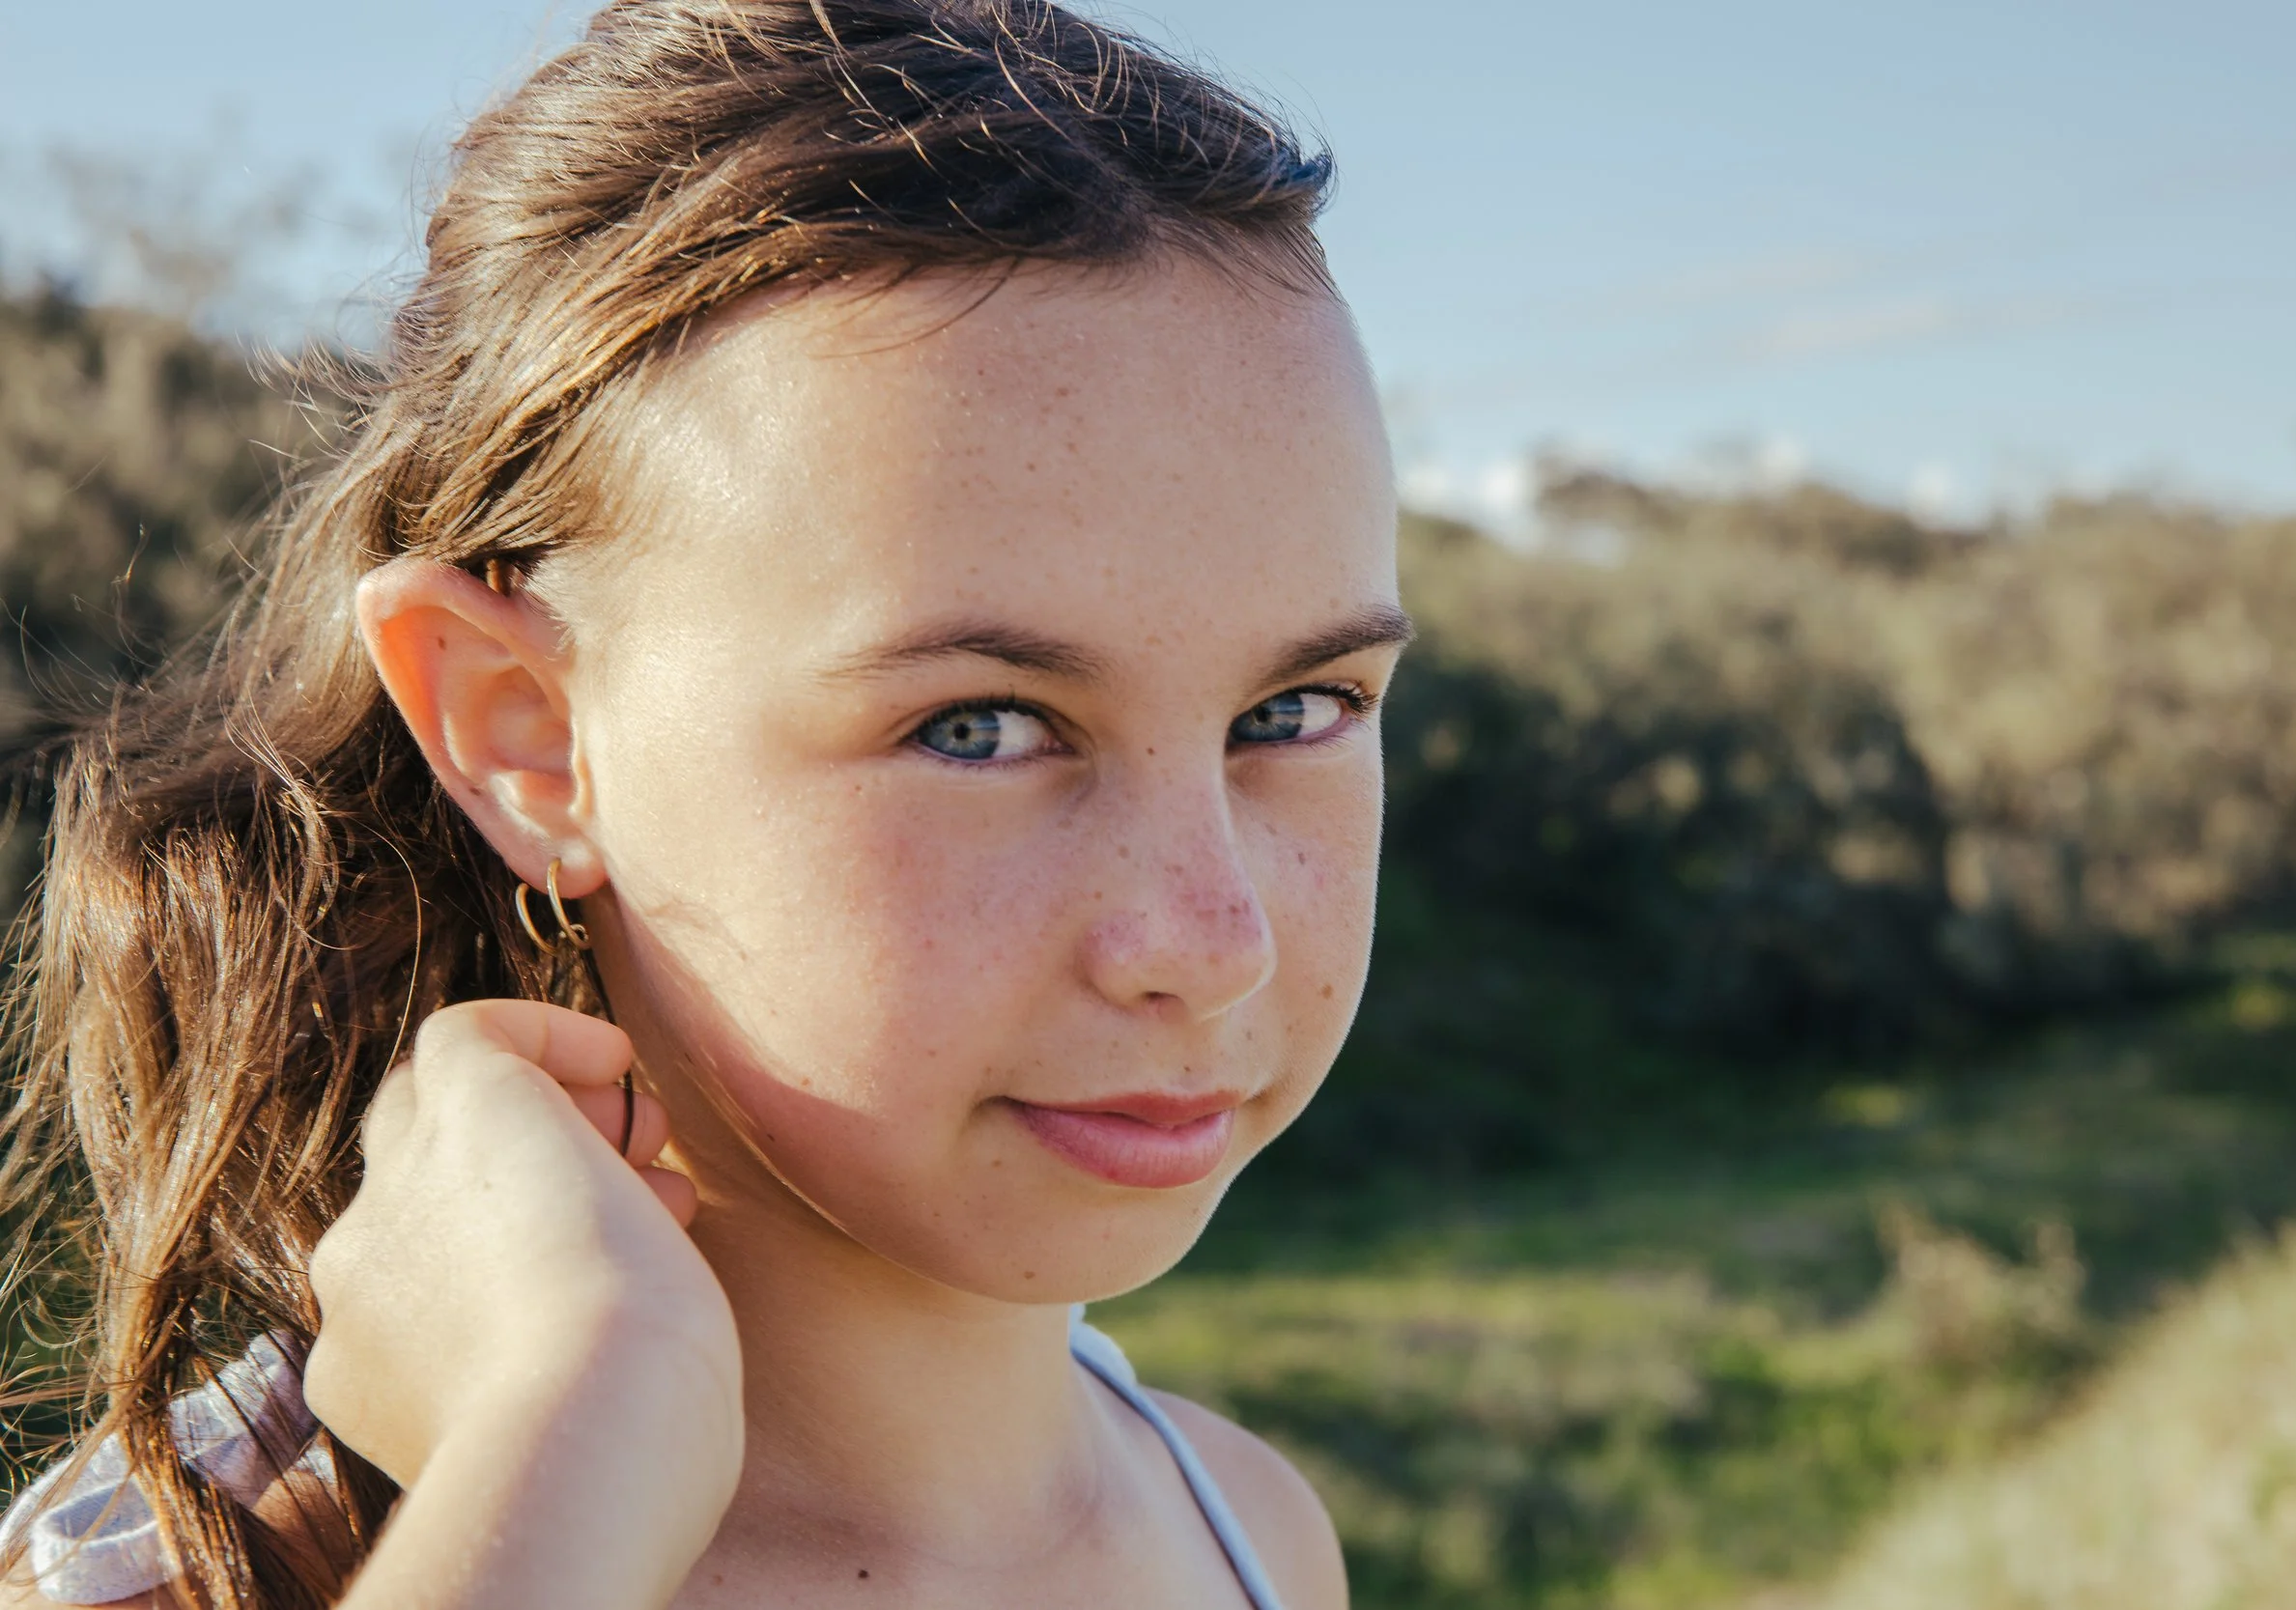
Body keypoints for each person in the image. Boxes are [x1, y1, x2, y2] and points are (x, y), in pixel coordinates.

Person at [0, 2, 1407, 1606]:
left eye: (1297, 711)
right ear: (524, 731)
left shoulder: (1245, 1527)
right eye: (980, 725)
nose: (1206, 941)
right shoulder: (184, 1580)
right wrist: (569, 1444)